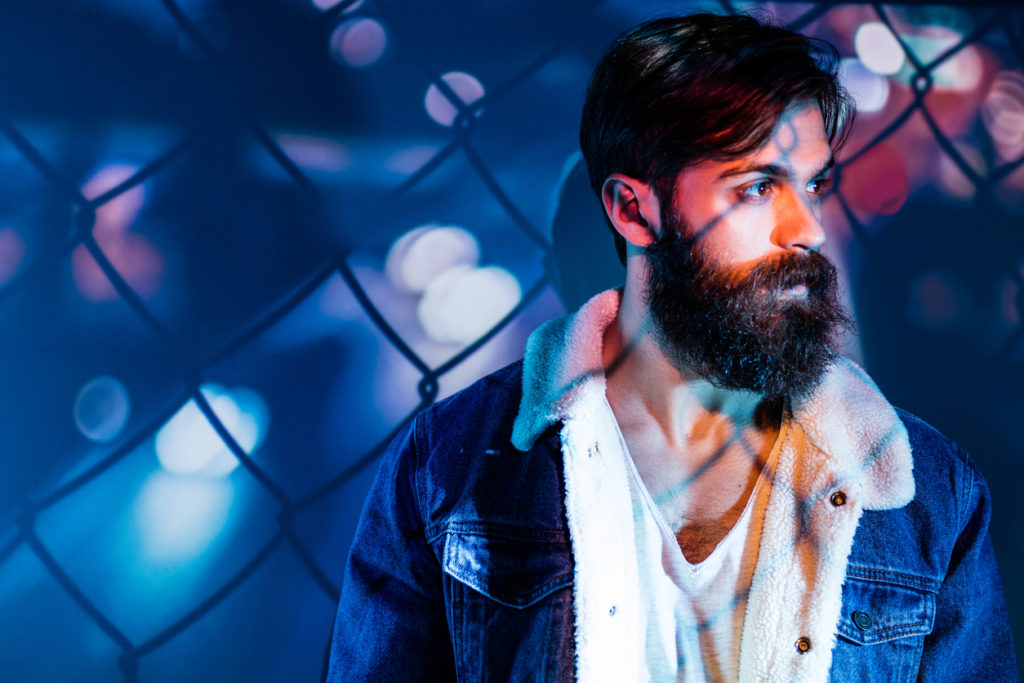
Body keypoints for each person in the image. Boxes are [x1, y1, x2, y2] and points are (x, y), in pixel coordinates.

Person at [326, 13, 1017, 682]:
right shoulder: (448, 471)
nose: (805, 227)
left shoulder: (927, 494)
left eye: (812, 184)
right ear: (633, 210)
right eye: (757, 187)